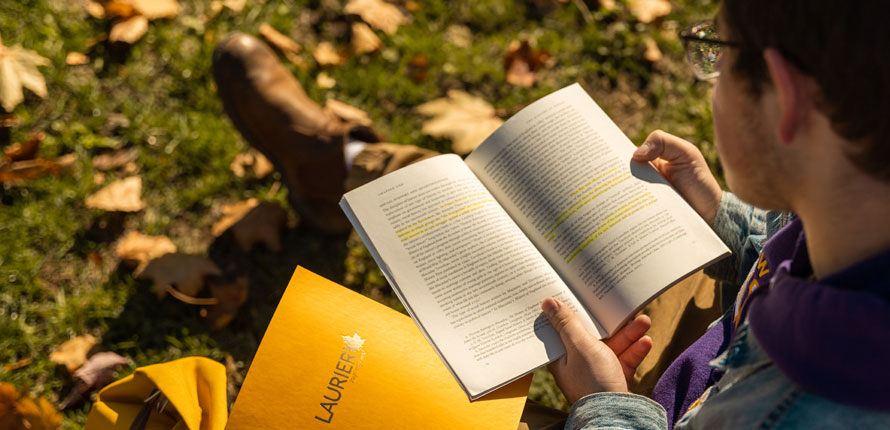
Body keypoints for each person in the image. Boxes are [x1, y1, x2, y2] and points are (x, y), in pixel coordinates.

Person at [539, 1, 890, 428]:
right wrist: (719, 214)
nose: (713, 78)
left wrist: (606, 404)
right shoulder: (853, 221)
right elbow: (785, 244)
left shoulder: (787, 412)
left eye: (720, 58)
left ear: (784, 99)